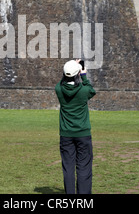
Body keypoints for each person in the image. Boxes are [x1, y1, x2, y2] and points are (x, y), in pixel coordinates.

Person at [55, 59, 96, 194]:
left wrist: (72, 68)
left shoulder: (59, 89)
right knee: (84, 167)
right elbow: (91, 90)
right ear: (77, 73)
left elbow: (63, 81)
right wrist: (83, 74)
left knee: (68, 168)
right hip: (83, 134)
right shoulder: (83, 91)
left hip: (66, 134)